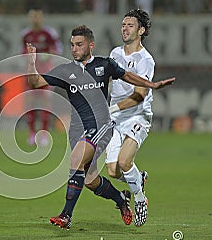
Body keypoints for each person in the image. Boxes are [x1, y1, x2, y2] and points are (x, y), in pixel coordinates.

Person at [27, 25, 174, 229]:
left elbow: (128, 76)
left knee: (76, 159)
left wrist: (152, 85)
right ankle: (121, 200)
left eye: (79, 45)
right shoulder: (65, 70)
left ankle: (66, 216)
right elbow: (35, 82)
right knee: (89, 180)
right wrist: (31, 62)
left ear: (91, 45)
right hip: (78, 129)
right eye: (72, 45)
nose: (74, 49)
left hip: (101, 125)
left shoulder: (104, 65)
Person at [105, 9, 156, 227]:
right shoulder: (115, 54)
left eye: (130, 25)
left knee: (125, 161)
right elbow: (106, 82)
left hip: (137, 116)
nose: (125, 28)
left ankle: (141, 199)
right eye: (123, 24)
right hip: (115, 117)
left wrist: (111, 108)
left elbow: (139, 95)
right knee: (113, 170)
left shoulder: (145, 60)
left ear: (141, 30)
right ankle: (138, 180)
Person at [20, 8, 63, 146]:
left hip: (46, 73)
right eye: (33, 16)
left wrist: (50, 54)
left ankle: (44, 133)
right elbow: (22, 52)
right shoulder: (26, 34)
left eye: (38, 16)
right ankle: (32, 133)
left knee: (45, 101)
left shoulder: (49, 33)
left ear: (42, 18)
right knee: (30, 101)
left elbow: (58, 49)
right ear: (30, 18)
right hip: (31, 72)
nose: (35, 19)